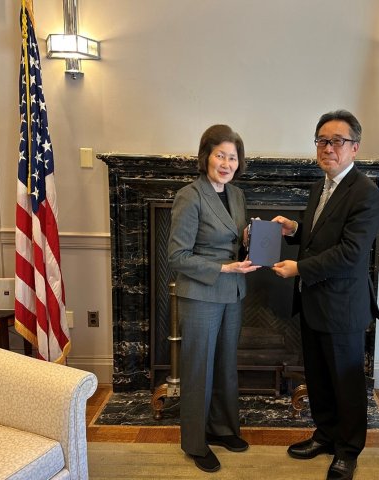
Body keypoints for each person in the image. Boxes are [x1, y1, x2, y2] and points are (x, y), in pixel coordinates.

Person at [272, 110, 379, 480]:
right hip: (314, 302)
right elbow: (323, 236)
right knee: (319, 378)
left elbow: (350, 253)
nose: (328, 148)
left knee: (346, 383)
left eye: (337, 141)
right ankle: (325, 435)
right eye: (322, 140)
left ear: (354, 147)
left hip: (343, 307)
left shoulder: (366, 194)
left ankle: (348, 451)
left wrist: (299, 268)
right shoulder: (321, 186)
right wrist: (295, 230)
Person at [168, 124, 260, 473]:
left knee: (224, 366)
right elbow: (177, 257)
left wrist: (249, 238)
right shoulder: (190, 195)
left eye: (232, 157)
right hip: (202, 294)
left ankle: (222, 429)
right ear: (205, 156)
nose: (226, 162)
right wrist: (224, 269)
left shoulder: (236, 195)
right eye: (220, 155)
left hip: (233, 292)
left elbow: (233, 241)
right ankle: (194, 442)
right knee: (198, 370)